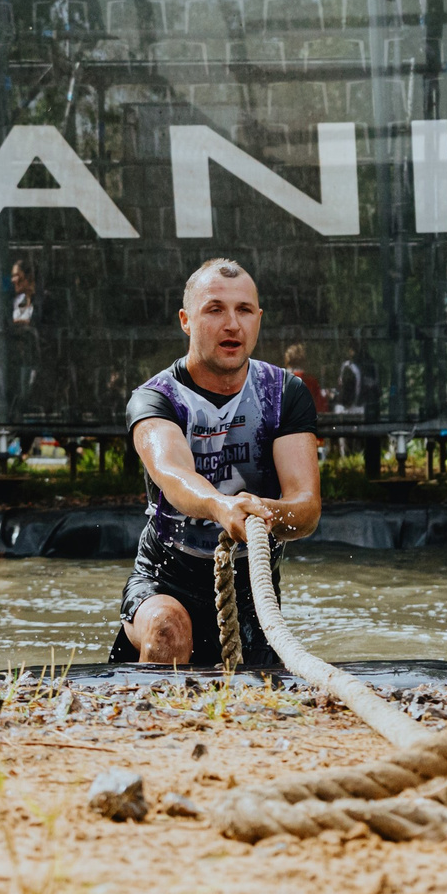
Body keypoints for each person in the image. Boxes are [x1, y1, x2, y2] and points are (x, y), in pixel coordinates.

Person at [111, 258, 321, 669]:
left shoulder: (285, 393)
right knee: (167, 630)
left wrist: (264, 513)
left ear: (258, 319)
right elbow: (173, 475)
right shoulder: (154, 398)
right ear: (186, 321)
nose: (232, 324)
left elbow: (307, 508)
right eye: (215, 309)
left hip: (252, 587)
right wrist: (222, 507)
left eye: (244, 310)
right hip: (166, 578)